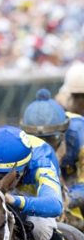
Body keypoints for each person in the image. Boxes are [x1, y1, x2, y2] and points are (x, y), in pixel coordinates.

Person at [20, 88, 84, 227]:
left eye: (51, 140)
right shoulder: (19, 143)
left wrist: (68, 198)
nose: (45, 148)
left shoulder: (81, 135)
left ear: (64, 133)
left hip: (75, 176)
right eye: (36, 140)